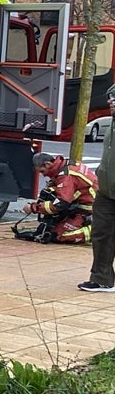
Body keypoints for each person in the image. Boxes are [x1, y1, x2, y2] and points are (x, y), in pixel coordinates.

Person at [15, 152, 95, 244]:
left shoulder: (65, 176)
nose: (44, 175)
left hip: (88, 210)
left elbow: (60, 204)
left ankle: (98, 231)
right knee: (51, 228)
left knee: (58, 235)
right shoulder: (65, 165)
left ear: (48, 164)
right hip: (82, 205)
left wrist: (34, 208)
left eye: (42, 171)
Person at [80, 85, 115, 291]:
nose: (111, 103)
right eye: (111, 99)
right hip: (106, 190)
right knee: (101, 233)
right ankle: (102, 278)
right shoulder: (111, 125)